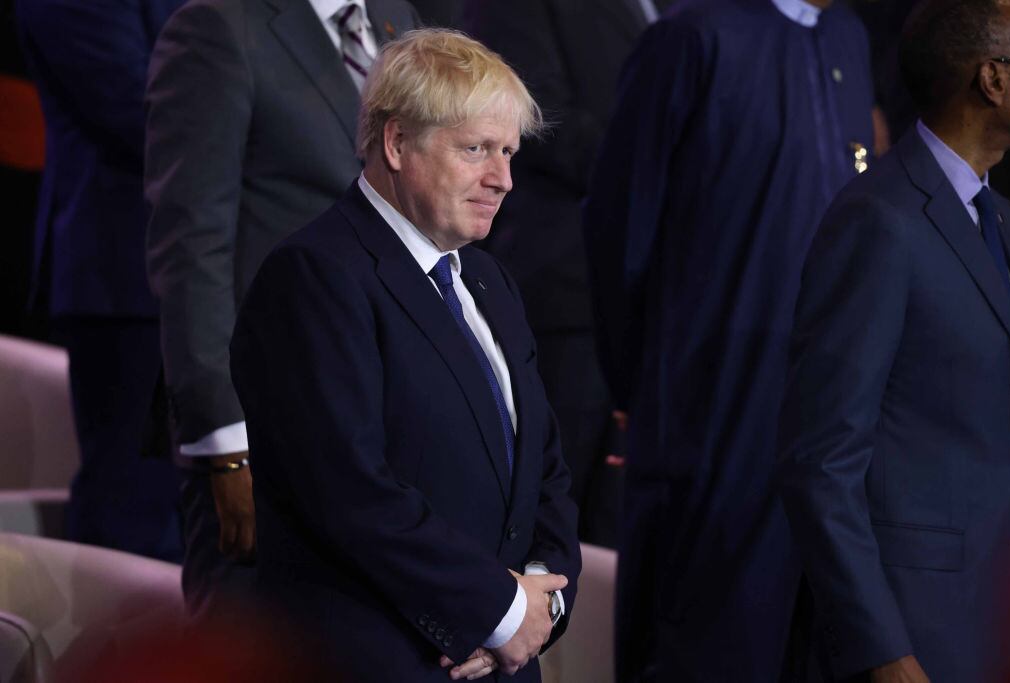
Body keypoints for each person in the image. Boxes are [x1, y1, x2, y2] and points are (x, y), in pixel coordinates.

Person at [229, 29, 581, 681]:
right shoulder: (314, 276)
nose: (502, 179)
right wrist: (496, 611)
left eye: (508, 152)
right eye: (476, 148)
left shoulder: (489, 280)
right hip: (380, 659)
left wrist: (540, 600)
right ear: (396, 142)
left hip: (498, 659)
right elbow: (349, 490)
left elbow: (548, 468)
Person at [582, 0, 875, 680]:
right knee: (712, 638)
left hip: (830, 408)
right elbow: (620, 225)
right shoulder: (690, 38)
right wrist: (638, 385)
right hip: (712, 401)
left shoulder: (848, 38)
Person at [144, 0, 418, 614]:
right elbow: (191, 245)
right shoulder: (218, 27)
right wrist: (224, 446)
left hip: (384, 411)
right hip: (269, 420)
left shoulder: (397, 16)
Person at [777, 0, 1010, 680]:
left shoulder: (999, 217)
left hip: (995, 614)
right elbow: (821, 460)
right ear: (992, 79)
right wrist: (881, 646)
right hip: (914, 628)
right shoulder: (878, 220)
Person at [463, 0, 656, 548]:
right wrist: (669, 163)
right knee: (547, 511)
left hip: (647, 297)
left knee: (618, 523)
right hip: (566, 292)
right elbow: (530, 114)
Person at [15, 0, 185, 562]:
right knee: (137, 506)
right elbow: (137, 109)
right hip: (125, 276)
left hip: (208, 265)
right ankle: (111, 648)